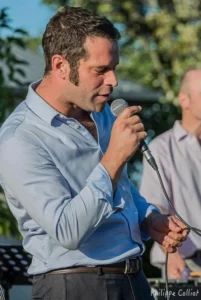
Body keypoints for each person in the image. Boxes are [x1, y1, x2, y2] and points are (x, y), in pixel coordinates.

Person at [0, 6, 188, 300]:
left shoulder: (102, 114)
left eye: (114, 68)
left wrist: (149, 219)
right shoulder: (20, 138)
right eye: (100, 70)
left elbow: (121, 190)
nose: (113, 81)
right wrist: (113, 158)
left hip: (134, 279)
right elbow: (67, 231)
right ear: (60, 65)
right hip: (74, 285)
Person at [140, 69, 201, 280]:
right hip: (184, 263)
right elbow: (154, 206)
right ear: (184, 100)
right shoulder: (161, 148)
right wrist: (170, 252)